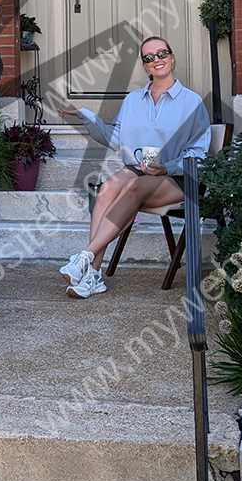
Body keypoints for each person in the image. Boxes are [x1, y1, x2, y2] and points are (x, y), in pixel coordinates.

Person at [56, 35, 211, 299]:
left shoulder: (191, 102)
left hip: (180, 178)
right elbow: (115, 138)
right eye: (149, 58)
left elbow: (198, 154)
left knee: (133, 185)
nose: (157, 60)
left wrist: (167, 167)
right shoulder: (133, 101)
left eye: (162, 53)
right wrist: (87, 116)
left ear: (172, 57)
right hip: (142, 170)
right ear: (145, 66)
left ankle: (86, 258)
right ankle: (93, 273)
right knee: (107, 189)